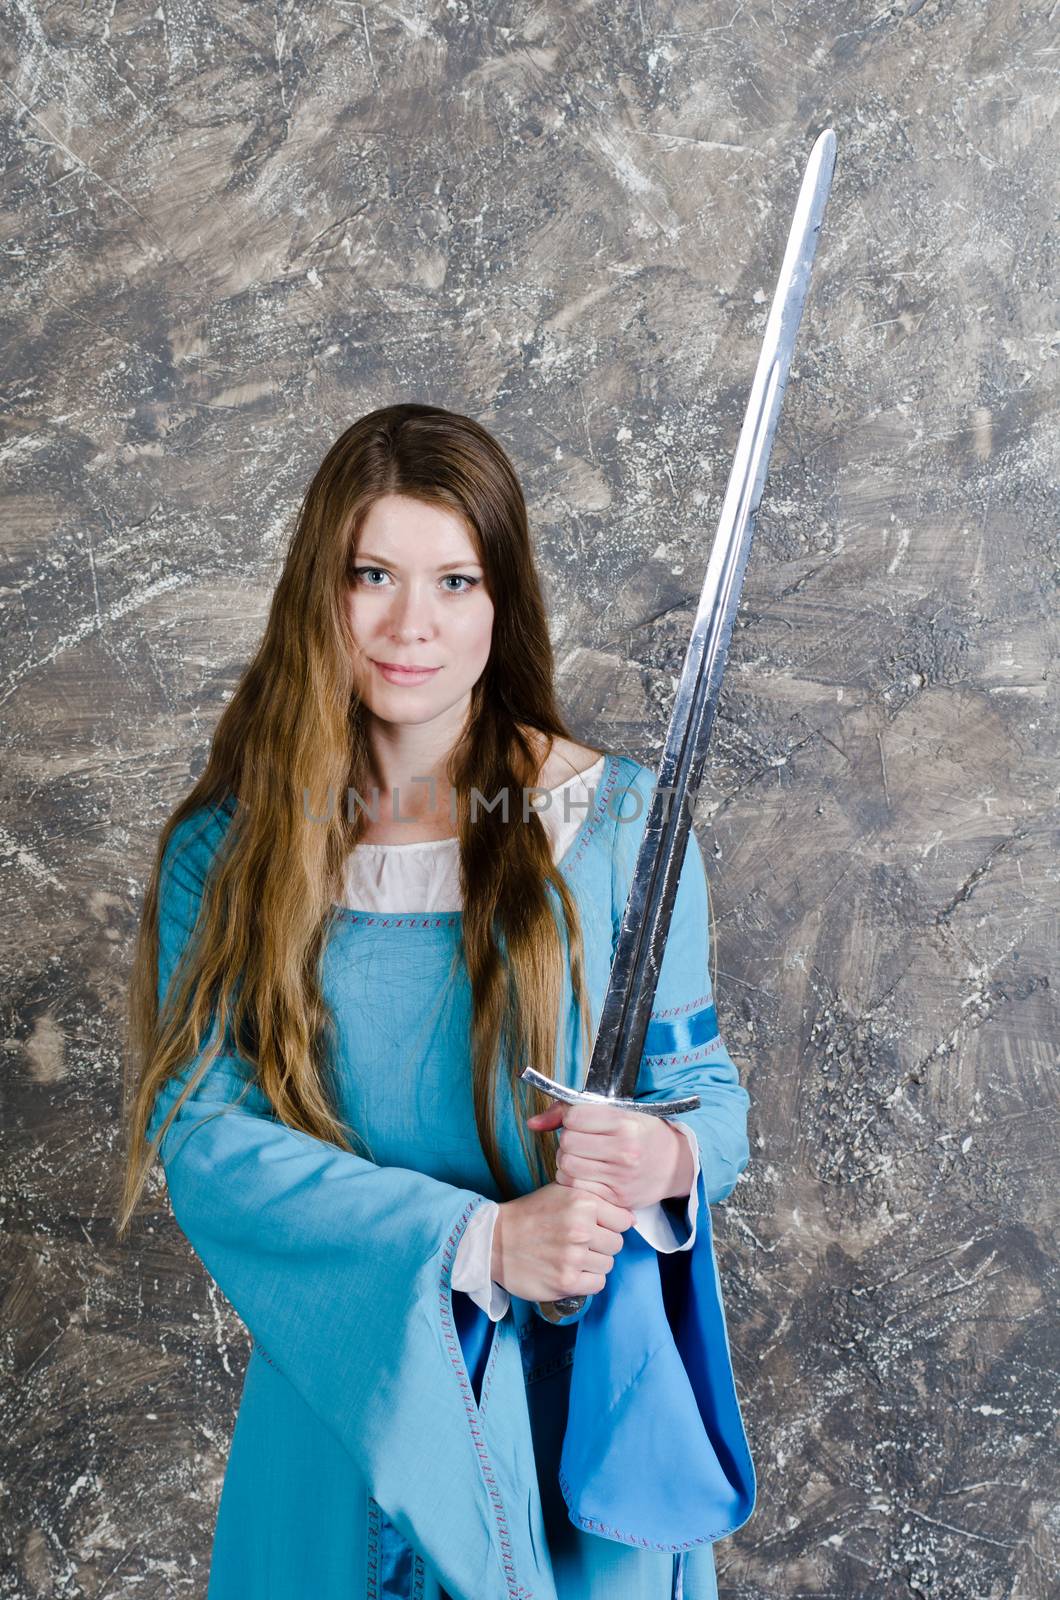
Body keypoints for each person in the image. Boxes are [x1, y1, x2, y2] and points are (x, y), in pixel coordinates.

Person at [118, 402, 754, 1600]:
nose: (412, 624)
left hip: (578, 1433)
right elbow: (206, 1142)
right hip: (342, 1413)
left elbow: (711, 1105)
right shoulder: (229, 853)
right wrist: (478, 1241)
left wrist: (657, 1153)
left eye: (455, 580)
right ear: (322, 586)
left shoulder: (618, 829)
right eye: (373, 575)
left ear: (500, 599)